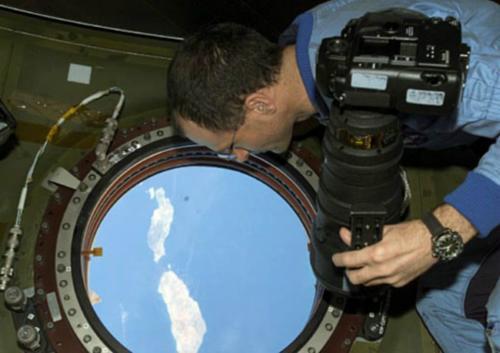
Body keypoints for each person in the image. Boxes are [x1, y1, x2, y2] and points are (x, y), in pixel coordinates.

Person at [166, 0, 500, 351]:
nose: (241, 157)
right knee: (443, 303)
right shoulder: (305, 49)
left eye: (232, 144)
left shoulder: (395, 69)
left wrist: (437, 234)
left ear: (260, 105)